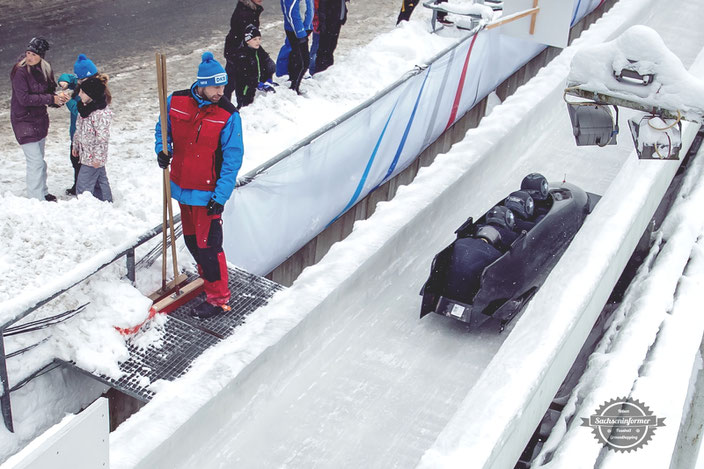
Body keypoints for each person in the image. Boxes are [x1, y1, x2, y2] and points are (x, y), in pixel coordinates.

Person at [154, 52, 244, 319]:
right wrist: (162, 149)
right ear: (202, 84)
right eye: (216, 86)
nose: (221, 91)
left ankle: (219, 299)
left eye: (223, 86)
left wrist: (221, 195)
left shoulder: (228, 114)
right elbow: (163, 129)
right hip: (182, 187)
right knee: (193, 242)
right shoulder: (176, 101)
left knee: (209, 247)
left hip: (208, 194)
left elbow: (232, 158)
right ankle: (208, 283)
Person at [10, 37, 67, 201]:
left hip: (39, 120)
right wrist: (51, 99)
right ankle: (36, 199)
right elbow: (24, 99)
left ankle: (42, 191)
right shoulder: (19, 71)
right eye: (28, 53)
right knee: (35, 161)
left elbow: (49, 93)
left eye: (34, 55)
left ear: (41, 56)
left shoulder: (45, 69)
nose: (29, 57)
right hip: (23, 121)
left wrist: (59, 100)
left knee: (40, 160)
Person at [58, 53, 100, 195]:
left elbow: (79, 111)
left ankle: (84, 190)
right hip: (76, 134)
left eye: (81, 79)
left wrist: (68, 100)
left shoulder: (94, 91)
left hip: (86, 136)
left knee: (83, 164)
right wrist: (63, 82)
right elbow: (68, 77)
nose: (78, 82)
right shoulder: (81, 82)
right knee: (75, 160)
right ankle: (78, 186)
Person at [73, 75, 114, 202]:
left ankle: (84, 205)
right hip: (86, 153)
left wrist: (97, 157)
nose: (79, 94)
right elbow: (78, 130)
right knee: (100, 180)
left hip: (93, 157)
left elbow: (102, 138)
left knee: (83, 185)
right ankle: (105, 201)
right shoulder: (84, 109)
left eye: (82, 92)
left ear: (91, 94)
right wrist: (76, 146)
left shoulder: (99, 114)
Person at [224, 0, 264, 101]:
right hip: (237, 50)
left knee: (232, 82)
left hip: (237, 49)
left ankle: (226, 104)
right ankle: (227, 106)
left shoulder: (251, 9)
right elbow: (245, 35)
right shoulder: (245, 13)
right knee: (235, 82)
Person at [233, 25, 276, 108]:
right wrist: (257, 84)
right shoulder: (242, 55)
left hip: (257, 86)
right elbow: (245, 76)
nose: (258, 42)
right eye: (255, 39)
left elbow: (268, 63)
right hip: (245, 89)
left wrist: (268, 77)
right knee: (247, 108)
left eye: (259, 39)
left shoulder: (259, 50)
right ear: (247, 41)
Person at [279, 0, 313, 93]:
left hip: (303, 28)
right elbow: (291, 12)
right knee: (301, 62)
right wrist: (300, 31)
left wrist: (308, 26)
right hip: (295, 30)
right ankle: (293, 88)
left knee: (303, 61)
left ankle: (294, 86)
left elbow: (309, 6)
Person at [314, 0, 348, 74]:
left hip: (337, 19)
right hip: (329, 20)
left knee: (331, 47)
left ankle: (328, 70)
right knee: (324, 49)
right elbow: (322, 5)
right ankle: (320, 71)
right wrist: (322, 21)